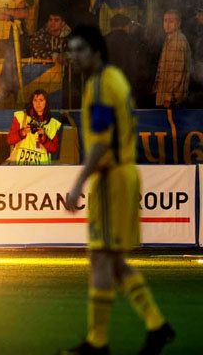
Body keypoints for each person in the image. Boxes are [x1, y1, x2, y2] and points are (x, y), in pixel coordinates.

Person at [60, 25, 174, 355]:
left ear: (96, 51)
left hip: (111, 177)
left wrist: (78, 183)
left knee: (100, 258)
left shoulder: (99, 86)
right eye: (71, 49)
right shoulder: (115, 80)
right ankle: (157, 325)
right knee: (113, 261)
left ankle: (97, 342)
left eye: (80, 49)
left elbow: (100, 144)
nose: (74, 55)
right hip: (121, 174)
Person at [4, 89, 61, 165]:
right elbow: (9, 140)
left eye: (41, 100)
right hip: (20, 166)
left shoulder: (52, 123)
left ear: (46, 102)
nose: (38, 103)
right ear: (32, 102)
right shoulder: (21, 117)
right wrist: (22, 132)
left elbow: (54, 149)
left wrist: (44, 137)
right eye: (35, 100)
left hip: (41, 168)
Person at [153, 10, 191, 108]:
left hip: (171, 99)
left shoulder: (177, 41)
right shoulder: (171, 38)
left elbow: (176, 73)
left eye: (171, 21)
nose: (167, 24)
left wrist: (169, 97)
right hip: (168, 95)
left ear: (178, 23)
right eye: (165, 21)